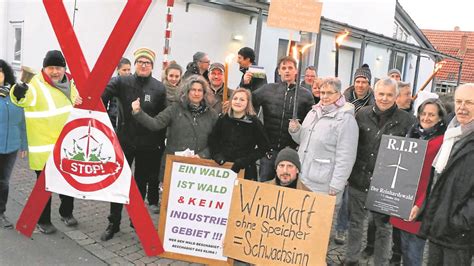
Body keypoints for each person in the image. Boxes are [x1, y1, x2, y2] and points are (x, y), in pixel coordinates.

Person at [10, 50, 82, 234]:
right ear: (44, 68)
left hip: (67, 146)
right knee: (45, 186)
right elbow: (21, 99)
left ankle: (66, 213)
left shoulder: (72, 83)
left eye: (58, 67)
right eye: (51, 68)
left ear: (64, 68)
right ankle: (44, 221)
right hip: (44, 148)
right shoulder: (35, 84)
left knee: (68, 182)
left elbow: (77, 105)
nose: (55, 72)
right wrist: (17, 92)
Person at [344, 78, 414, 265]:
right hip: (359, 179)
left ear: (396, 96)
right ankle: (351, 260)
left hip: (385, 185)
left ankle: (381, 263)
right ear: (374, 94)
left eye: (389, 94)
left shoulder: (407, 121)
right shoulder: (362, 114)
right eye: (381, 94)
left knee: (384, 228)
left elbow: (411, 158)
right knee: (356, 224)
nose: (384, 98)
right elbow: (351, 145)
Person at [100, 48, 167, 240]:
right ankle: (113, 223)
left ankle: (135, 219)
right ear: (135, 64)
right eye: (141, 62)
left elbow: (162, 117)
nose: (144, 65)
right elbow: (101, 96)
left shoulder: (159, 88)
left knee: (140, 184)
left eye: (148, 62)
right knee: (118, 183)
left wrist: (159, 144)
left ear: (152, 66)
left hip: (148, 145)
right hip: (125, 141)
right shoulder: (122, 81)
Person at [289, 77, 358, 243]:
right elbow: (302, 141)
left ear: (338, 93)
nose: (324, 96)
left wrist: (337, 183)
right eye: (322, 92)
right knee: (300, 226)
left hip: (324, 183)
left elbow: (346, 155)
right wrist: (295, 131)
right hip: (303, 177)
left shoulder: (345, 119)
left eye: (329, 93)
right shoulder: (314, 111)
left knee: (317, 229)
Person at [419, 83, 474, 266]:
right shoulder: (452, 133)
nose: (462, 107)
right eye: (459, 101)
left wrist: (458, 222)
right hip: (438, 226)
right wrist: (425, 207)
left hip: (459, 234)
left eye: (469, 102)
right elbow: (437, 178)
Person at [388, 98, 447, 266]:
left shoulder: (442, 142)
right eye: (424, 113)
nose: (426, 118)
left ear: (440, 118)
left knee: (413, 253)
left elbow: (435, 179)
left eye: (432, 115)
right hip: (402, 198)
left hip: (421, 204)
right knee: (400, 247)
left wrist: (420, 204)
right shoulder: (411, 133)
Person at [132, 74, 218, 177]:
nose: (196, 93)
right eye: (193, 90)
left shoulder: (212, 114)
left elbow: (217, 141)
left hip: (200, 168)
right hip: (175, 166)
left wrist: (203, 155)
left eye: (200, 90)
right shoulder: (175, 109)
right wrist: (138, 112)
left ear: (204, 93)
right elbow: (155, 124)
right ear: (187, 92)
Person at [252, 56, 314, 182]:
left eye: (290, 68)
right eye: (283, 68)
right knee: (264, 187)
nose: (287, 71)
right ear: (279, 71)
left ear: (296, 71)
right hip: (269, 151)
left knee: (287, 190)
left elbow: (312, 124)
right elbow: (248, 103)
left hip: (292, 152)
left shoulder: (306, 95)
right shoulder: (268, 89)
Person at [209, 88, 270, 180]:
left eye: (242, 100)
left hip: (245, 170)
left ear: (247, 103)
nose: (238, 102)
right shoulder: (223, 119)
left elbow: (264, 147)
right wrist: (217, 155)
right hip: (223, 167)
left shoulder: (254, 123)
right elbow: (213, 140)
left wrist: (245, 161)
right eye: (235, 98)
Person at [0, 60, 27, 228]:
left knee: (4, 181)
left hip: (12, 146)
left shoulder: (15, 93)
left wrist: (24, 144)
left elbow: (23, 121)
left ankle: (1, 212)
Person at [107, 57, 132, 131]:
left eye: (129, 69)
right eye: (124, 70)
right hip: (113, 121)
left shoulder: (135, 83)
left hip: (129, 122)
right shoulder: (112, 83)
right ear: (118, 70)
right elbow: (103, 101)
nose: (127, 72)